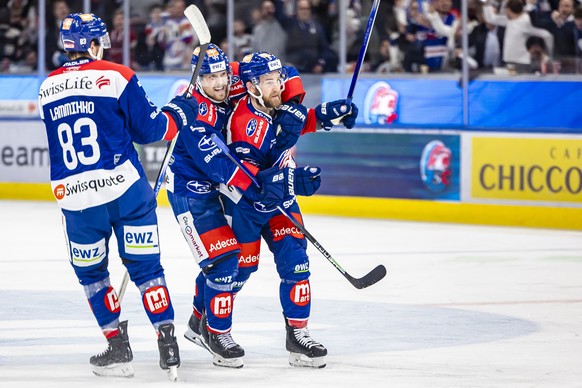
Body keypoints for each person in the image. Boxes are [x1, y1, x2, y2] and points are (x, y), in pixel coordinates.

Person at [37, 13, 199, 380]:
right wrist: (180, 111)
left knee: (92, 275)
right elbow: (150, 130)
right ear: (93, 43)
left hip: (77, 200)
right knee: (146, 269)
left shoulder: (47, 86)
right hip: (126, 191)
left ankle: (117, 346)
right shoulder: (116, 75)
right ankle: (167, 342)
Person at [166, 43, 321, 368]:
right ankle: (213, 329)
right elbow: (223, 166)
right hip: (194, 192)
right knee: (226, 263)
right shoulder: (192, 111)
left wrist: (293, 100)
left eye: (224, 73)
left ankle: (297, 334)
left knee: (294, 260)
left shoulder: (236, 81)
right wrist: (281, 184)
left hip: (233, 189)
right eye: (211, 77)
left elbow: (275, 73)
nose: (221, 82)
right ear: (198, 81)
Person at [221, 51, 358, 368]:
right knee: (238, 272)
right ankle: (205, 320)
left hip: (282, 200)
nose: (277, 87)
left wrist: (330, 113)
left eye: (278, 80)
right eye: (269, 81)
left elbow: (301, 121)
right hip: (247, 206)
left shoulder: (278, 102)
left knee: (297, 264)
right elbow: (253, 181)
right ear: (252, 86)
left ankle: (298, 334)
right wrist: (293, 179)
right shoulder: (242, 121)